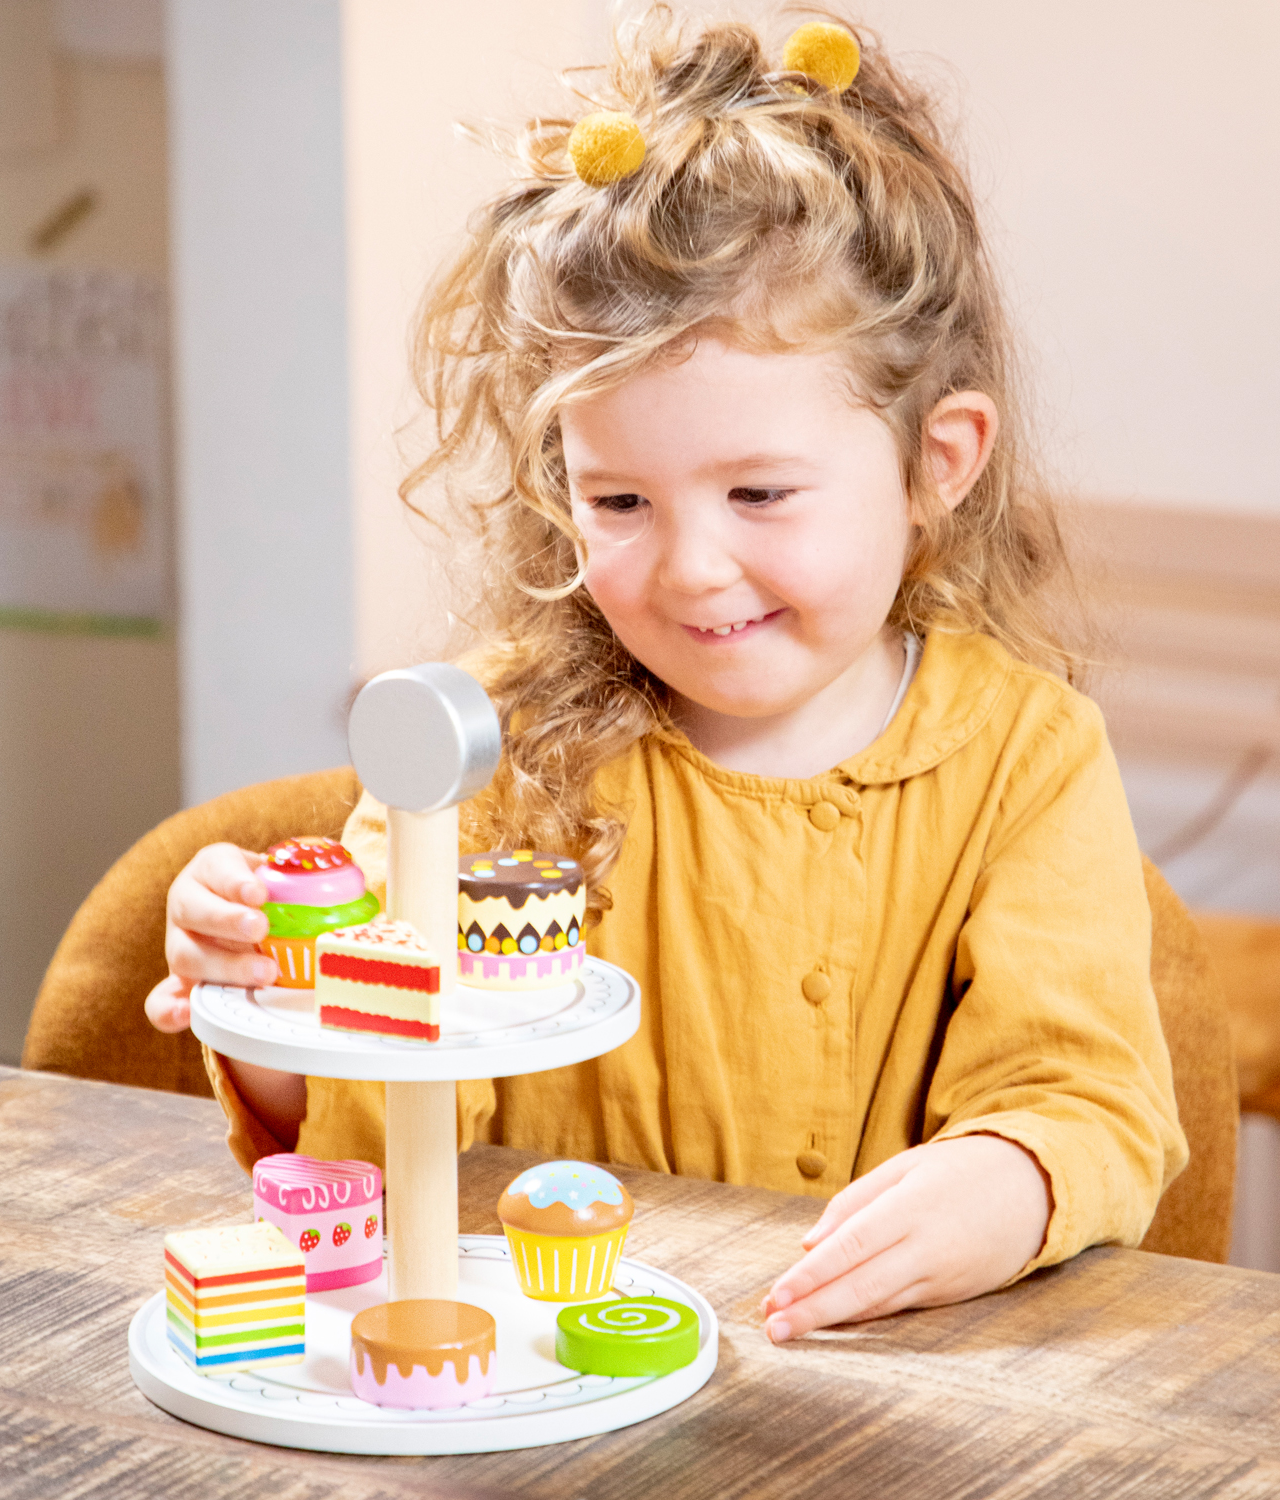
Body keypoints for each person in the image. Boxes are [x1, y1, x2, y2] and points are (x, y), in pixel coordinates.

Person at [146, 11, 1185, 1343]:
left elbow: (1089, 1098)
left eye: (759, 491)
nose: (693, 569)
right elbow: (368, 1135)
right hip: (538, 1389)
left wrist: (1012, 1177)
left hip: (871, 1401)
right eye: (620, 498)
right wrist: (263, 1006)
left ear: (939, 461)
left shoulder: (1022, 757)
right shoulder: (492, 744)